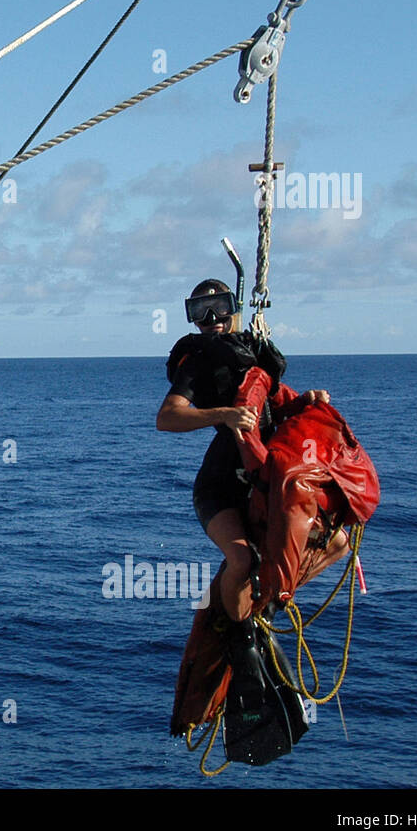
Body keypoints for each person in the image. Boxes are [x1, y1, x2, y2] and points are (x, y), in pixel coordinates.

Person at [156, 279, 347, 676]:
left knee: (338, 543)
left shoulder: (254, 355)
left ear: (236, 307)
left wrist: (305, 401)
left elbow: (276, 404)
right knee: (241, 559)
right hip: (220, 486)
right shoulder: (198, 362)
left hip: (263, 481)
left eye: (220, 308)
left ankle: (269, 599)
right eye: (200, 311)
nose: (211, 320)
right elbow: (167, 417)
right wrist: (222, 415)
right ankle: (240, 642)